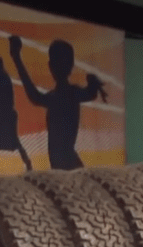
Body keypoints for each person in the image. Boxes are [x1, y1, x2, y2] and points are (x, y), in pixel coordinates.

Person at [8, 35, 106, 170]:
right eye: (56, 62)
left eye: (61, 62)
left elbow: (34, 95)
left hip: (66, 163)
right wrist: (17, 58)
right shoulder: (59, 96)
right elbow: (34, 95)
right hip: (62, 164)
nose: (57, 66)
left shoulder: (68, 94)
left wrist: (17, 58)